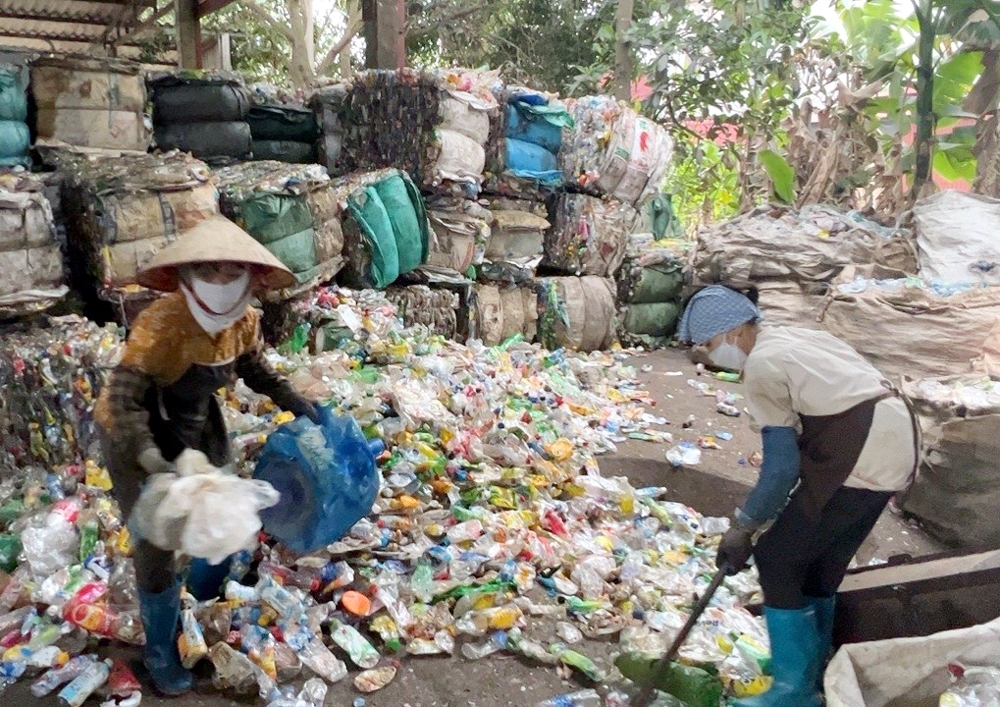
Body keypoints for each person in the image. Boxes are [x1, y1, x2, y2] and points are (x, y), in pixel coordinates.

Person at [95, 215, 321, 696]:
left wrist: (296, 402)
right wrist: (154, 460)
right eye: (209, 271)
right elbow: (123, 399)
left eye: (231, 273)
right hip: (138, 431)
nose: (220, 284)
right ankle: (160, 649)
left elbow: (254, 369)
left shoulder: (244, 321)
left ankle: (202, 609)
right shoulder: (161, 323)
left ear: (251, 278)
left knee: (221, 517)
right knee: (156, 538)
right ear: (186, 276)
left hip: (195, 421)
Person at [677, 285, 919, 707]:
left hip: (859, 449)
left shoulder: (763, 367)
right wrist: (765, 515)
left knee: (777, 558)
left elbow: (782, 467)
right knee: (820, 561)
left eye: (712, 344)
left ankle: (793, 692)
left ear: (735, 331)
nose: (711, 354)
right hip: (899, 439)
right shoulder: (794, 336)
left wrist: (744, 526)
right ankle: (813, 669)